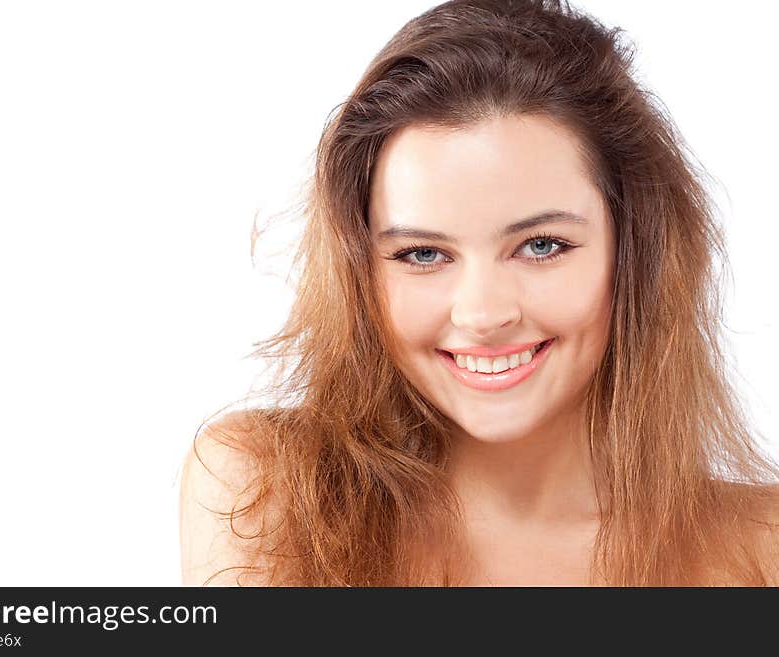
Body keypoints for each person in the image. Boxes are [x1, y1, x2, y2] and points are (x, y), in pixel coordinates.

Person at [179, 0, 779, 586]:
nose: (483, 314)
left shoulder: (762, 546)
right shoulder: (267, 495)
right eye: (423, 255)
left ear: (636, 253)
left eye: (541, 246)